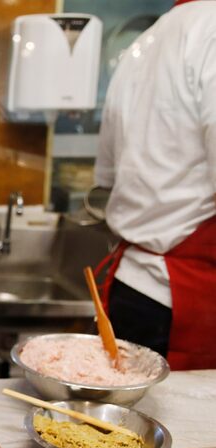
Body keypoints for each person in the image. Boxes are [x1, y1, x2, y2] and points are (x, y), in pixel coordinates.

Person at [93, 0, 216, 370]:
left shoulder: (143, 43)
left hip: (133, 290)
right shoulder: (210, 27)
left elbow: (107, 178)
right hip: (183, 299)